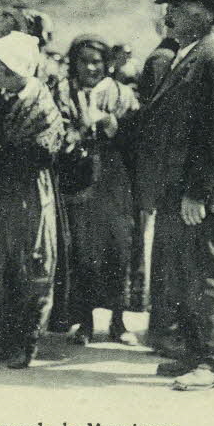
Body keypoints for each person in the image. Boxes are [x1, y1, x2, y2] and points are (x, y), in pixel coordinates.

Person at [133, 0, 214, 391]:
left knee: (207, 278)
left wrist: (198, 192)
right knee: (184, 277)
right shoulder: (188, 55)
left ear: (201, 15)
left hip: (200, 193)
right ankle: (194, 353)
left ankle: (212, 363)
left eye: (176, 10)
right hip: (176, 189)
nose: (169, 17)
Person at [0, 30, 65, 369]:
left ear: (15, 70)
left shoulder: (41, 104)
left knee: (32, 264)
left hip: (29, 194)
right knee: (0, 264)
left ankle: (28, 341)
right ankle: (3, 336)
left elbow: (45, 151)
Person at [56, 34, 142, 347]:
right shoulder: (64, 93)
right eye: (84, 61)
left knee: (118, 249)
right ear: (74, 63)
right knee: (82, 252)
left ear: (107, 64)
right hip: (78, 181)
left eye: (96, 62)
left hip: (113, 180)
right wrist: (74, 134)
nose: (90, 68)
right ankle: (84, 321)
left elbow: (134, 137)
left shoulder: (121, 93)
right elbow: (58, 129)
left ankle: (118, 321)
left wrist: (109, 123)